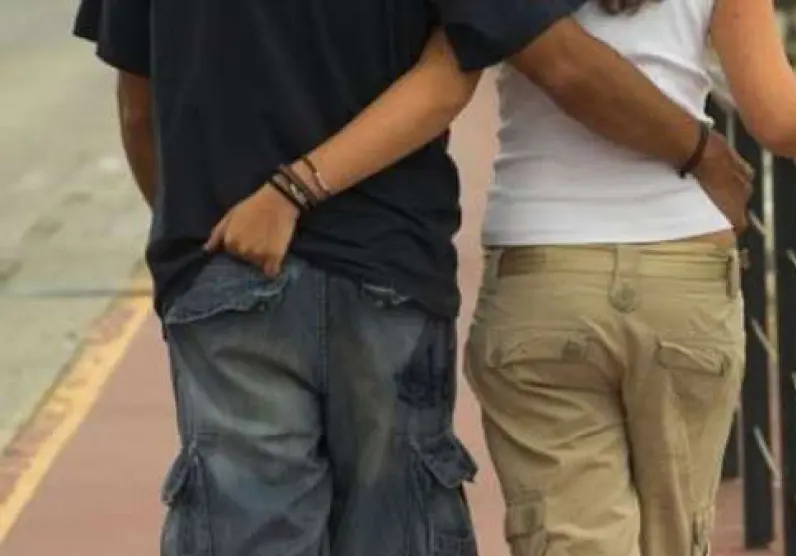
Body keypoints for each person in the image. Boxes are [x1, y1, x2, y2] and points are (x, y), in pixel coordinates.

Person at [71, 0, 756, 555]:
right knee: (398, 524)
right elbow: (454, 76)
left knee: (247, 522)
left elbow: (138, 103)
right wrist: (702, 152)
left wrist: (205, 251)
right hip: (387, 267)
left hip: (232, 262)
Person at [463, 1, 796, 556]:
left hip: (544, 272)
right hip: (682, 271)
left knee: (570, 538)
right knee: (675, 536)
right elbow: (781, 118)